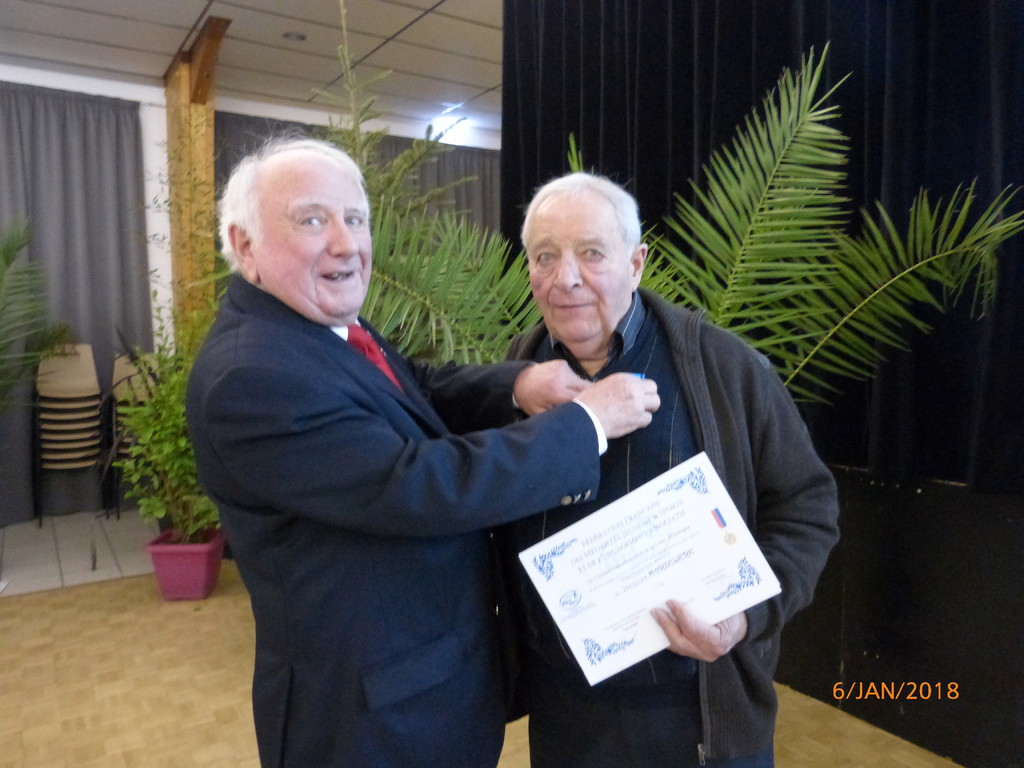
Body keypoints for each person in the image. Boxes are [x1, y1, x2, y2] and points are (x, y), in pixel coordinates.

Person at [185, 140, 660, 768]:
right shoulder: (252, 376)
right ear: (244, 245)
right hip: (370, 723)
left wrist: (516, 383)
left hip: (426, 692)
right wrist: (586, 423)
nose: (346, 244)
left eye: (355, 219)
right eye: (312, 220)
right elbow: (413, 485)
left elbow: (414, 388)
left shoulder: (313, 326)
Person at [497, 172, 840, 767]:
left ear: (637, 263)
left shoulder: (723, 368)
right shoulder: (514, 376)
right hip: (567, 712)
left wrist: (745, 616)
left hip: (699, 711)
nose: (566, 278)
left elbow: (807, 507)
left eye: (592, 253)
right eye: (545, 257)